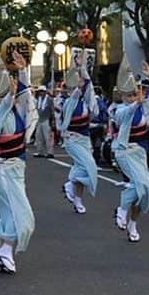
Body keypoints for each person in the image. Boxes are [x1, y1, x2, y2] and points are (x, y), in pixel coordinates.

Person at [0, 51, 35, 273]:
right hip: (1, 169)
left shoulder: (19, 111)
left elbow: (27, 98)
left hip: (16, 168)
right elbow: (4, 105)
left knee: (8, 210)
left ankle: (3, 252)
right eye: (4, 88)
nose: (12, 88)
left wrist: (23, 70)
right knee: (22, 214)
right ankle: (5, 250)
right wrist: (0, 86)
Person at [111, 56, 149, 243]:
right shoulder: (119, 109)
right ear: (123, 96)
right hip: (124, 151)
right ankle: (123, 208)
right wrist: (135, 103)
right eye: (129, 95)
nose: (133, 96)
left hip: (140, 153)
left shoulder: (146, 107)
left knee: (147, 192)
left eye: (136, 93)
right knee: (140, 184)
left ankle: (133, 223)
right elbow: (123, 115)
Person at [59, 57, 98, 214]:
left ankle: (78, 199)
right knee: (89, 166)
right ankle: (70, 184)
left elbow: (89, 88)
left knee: (81, 169)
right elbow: (79, 91)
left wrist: (83, 68)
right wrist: (81, 75)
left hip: (85, 139)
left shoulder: (86, 103)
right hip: (72, 140)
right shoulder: (68, 103)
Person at [33, 84, 55, 158]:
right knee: (38, 136)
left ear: (45, 92)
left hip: (46, 119)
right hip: (39, 119)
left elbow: (52, 110)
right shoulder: (38, 99)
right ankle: (40, 152)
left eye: (42, 91)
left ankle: (50, 152)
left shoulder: (49, 99)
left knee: (47, 137)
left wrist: (52, 121)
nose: (40, 93)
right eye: (40, 91)